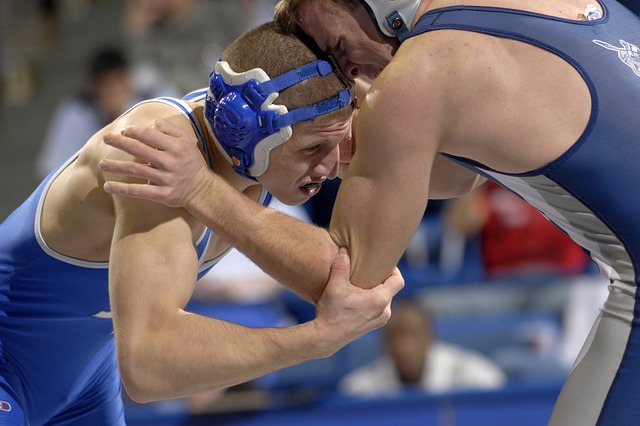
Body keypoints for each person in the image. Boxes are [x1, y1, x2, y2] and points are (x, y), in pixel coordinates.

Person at [98, 0, 640, 424]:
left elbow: (348, 281)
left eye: (338, 48)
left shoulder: (418, 76)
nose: (348, 71)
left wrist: (201, 189)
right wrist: (350, 145)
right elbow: (463, 172)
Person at [0, 22, 404, 425]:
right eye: (315, 148)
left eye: (339, 140)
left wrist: (204, 191)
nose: (332, 167)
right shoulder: (153, 149)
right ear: (244, 131)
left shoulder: (278, 138)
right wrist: (314, 341)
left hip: (84, 384)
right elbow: (146, 366)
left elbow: (355, 281)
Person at [339, 300, 506, 397]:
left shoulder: (468, 372)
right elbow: (346, 394)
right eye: (395, 338)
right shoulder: (363, 387)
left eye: (413, 335)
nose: (404, 347)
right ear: (383, 343)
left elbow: (495, 386)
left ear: (430, 337)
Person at [443, 181, 591, 280]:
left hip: (560, 276)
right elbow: (459, 224)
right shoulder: (491, 179)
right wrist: (475, 181)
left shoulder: (561, 177)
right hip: (504, 278)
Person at [35, 46, 137, 178]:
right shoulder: (77, 110)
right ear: (96, 88)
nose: (118, 94)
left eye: (121, 83)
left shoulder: (147, 99)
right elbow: (54, 171)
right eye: (110, 88)